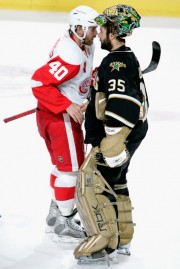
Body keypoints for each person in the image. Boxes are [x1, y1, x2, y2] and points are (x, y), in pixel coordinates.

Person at [74, 4, 149, 264]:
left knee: (92, 182)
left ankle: (104, 244)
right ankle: (123, 238)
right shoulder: (125, 57)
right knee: (116, 182)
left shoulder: (116, 61)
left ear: (114, 31)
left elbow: (124, 104)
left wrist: (112, 145)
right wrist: (95, 98)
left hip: (117, 137)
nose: (99, 32)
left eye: (103, 28)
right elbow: (114, 96)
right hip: (131, 133)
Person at [31, 5, 99, 242]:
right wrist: (67, 105)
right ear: (78, 28)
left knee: (63, 169)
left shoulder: (84, 45)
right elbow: (38, 82)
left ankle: (56, 215)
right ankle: (64, 222)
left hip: (55, 115)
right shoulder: (71, 53)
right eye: (92, 28)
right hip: (59, 117)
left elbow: (80, 76)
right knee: (71, 170)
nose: (96, 32)